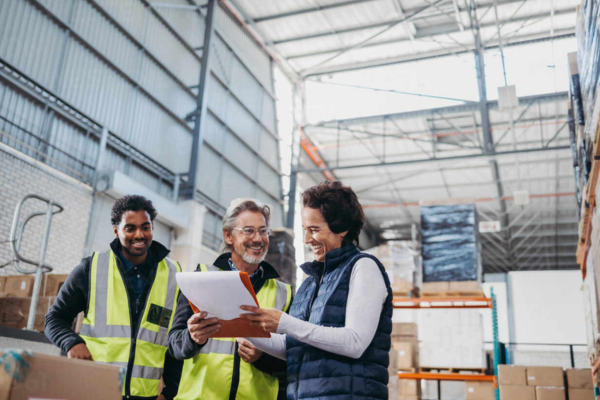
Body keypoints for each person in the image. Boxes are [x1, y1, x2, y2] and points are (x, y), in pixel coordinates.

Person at [239, 181, 394, 400]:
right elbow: (294, 348)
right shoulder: (310, 282)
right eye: (305, 230)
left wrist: (284, 322)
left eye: (314, 230)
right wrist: (237, 326)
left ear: (342, 228)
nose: (306, 239)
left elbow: (355, 342)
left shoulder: (363, 267)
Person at [45, 195, 183, 400]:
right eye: (130, 228)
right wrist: (72, 343)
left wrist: (169, 392)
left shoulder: (174, 274)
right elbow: (54, 319)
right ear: (116, 230)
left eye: (146, 227)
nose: (139, 234)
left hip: (146, 396)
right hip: (95, 391)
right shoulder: (91, 268)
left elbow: (175, 340)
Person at [168, 198, 293, 400]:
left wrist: (263, 357)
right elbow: (174, 345)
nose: (258, 238)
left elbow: (294, 360)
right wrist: (193, 338)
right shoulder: (200, 278)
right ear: (228, 236)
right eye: (248, 231)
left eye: (263, 231)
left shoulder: (285, 294)